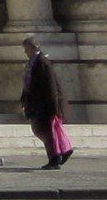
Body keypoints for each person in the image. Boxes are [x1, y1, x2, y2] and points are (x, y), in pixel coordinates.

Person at [19, 35, 71, 169]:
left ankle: (55, 159)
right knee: (44, 131)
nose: (25, 52)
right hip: (38, 103)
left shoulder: (42, 62)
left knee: (45, 131)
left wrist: (54, 108)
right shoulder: (33, 63)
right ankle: (60, 153)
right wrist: (24, 98)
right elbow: (28, 84)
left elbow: (51, 86)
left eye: (26, 49)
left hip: (45, 104)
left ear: (32, 48)